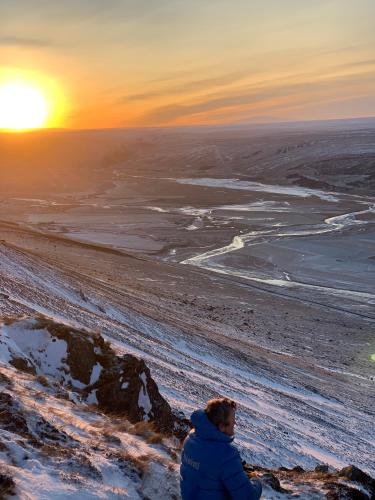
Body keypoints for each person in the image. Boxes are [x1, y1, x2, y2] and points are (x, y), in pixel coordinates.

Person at [180, 398, 262, 499]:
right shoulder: (226, 455)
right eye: (232, 420)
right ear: (222, 426)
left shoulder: (191, 438)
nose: (235, 423)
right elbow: (248, 497)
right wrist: (254, 478)